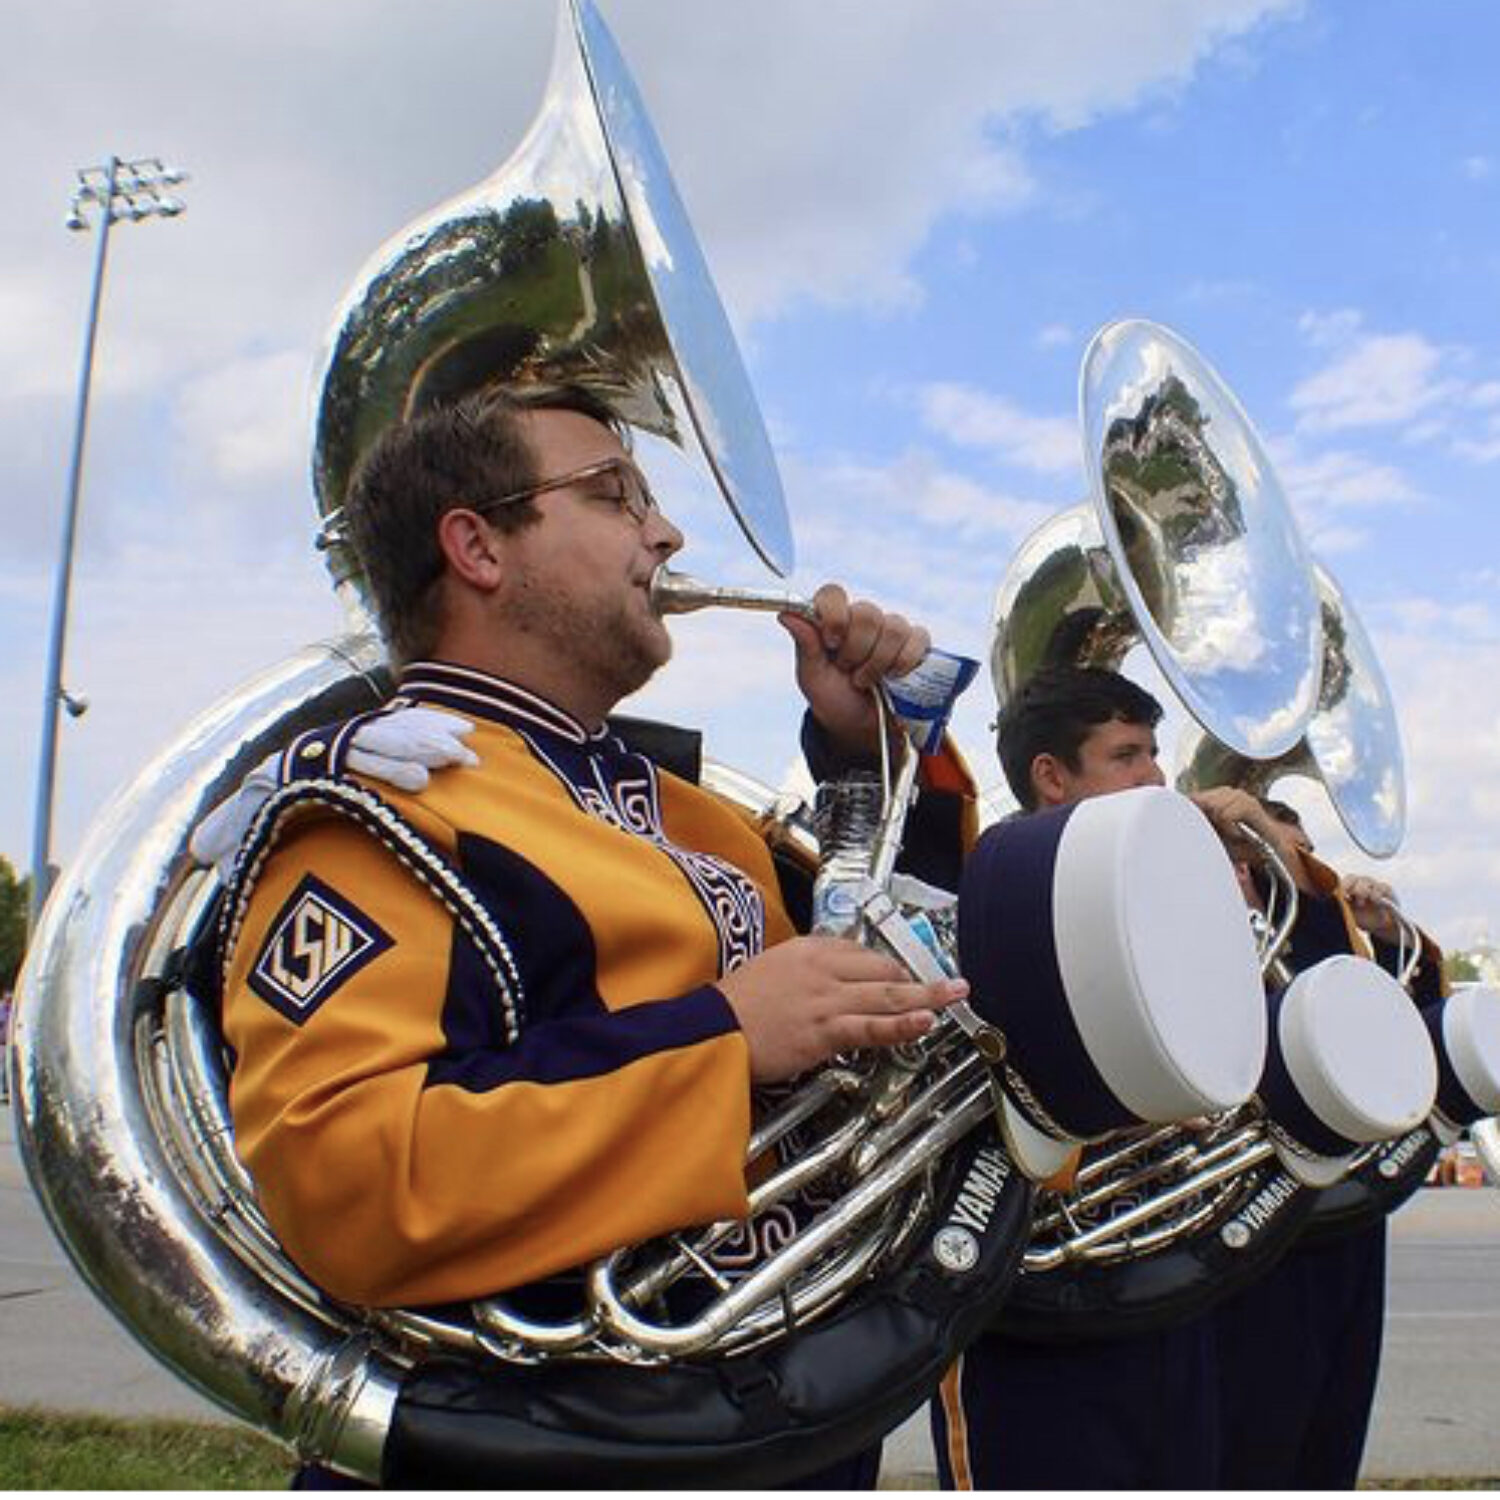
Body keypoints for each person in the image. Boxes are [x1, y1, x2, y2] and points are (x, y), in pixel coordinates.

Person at [215, 383, 974, 1488]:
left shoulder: (692, 810)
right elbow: (351, 1186)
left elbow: (912, 977)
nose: (665, 533)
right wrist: (724, 1037)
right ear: (476, 546)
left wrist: (867, 753)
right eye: (614, 495)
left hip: (771, 1420)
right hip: (563, 1444)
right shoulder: (380, 804)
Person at [931, 663, 1311, 1491]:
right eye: (1128, 755)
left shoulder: (1171, 898)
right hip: (1039, 1306)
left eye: (1154, 754)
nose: (1158, 778)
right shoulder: (987, 891)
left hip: (1164, 1275)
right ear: (1051, 777)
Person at [1213, 798, 1445, 1490]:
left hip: (1345, 1230)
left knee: (1330, 1437)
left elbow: (1417, 1045)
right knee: (1258, 1445)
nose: (1307, 869)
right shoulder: (1217, 936)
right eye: (1285, 855)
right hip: (1257, 1234)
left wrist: (1390, 938)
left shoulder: (1331, 940)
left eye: (1308, 853)